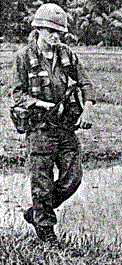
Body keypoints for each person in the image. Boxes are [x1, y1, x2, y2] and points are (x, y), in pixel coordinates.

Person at [11, 3, 95, 246]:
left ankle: (36, 212)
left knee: (73, 177)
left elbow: (86, 83)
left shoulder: (67, 54)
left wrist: (87, 109)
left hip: (65, 127)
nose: (55, 37)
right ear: (38, 29)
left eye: (59, 32)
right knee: (42, 182)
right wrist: (41, 104)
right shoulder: (24, 57)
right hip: (40, 129)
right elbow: (18, 96)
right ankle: (47, 232)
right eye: (51, 32)